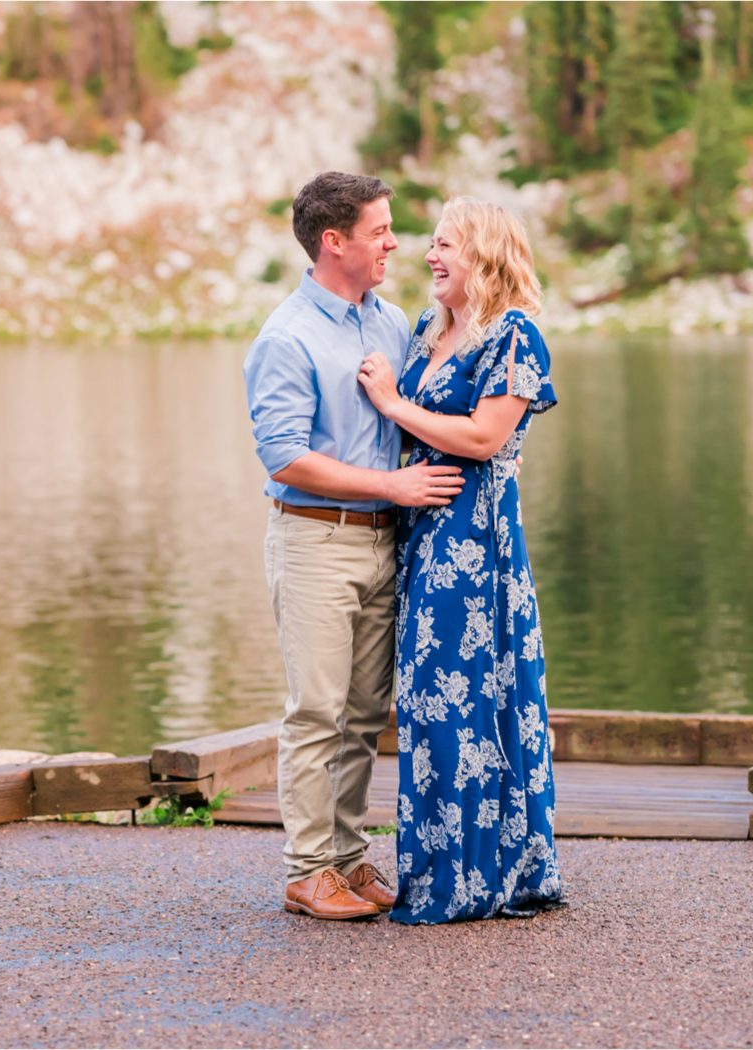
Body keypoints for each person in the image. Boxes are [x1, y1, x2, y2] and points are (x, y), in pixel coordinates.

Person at [243, 172, 467, 921]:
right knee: (317, 711)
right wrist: (393, 487)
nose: (395, 243)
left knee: (366, 711)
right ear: (334, 242)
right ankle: (307, 870)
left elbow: (414, 412)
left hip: (383, 541)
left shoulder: (392, 322)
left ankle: (345, 857)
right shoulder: (286, 337)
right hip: (316, 539)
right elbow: (284, 457)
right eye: (380, 231)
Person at [356, 196, 566, 923]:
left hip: (477, 543)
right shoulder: (427, 328)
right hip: (421, 536)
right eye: (432, 244)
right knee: (425, 699)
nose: (428, 256)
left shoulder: (516, 336)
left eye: (444, 244)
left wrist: (392, 403)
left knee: (469, 697)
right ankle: (440, 867)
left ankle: (483, 873)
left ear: (483, 253)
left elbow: (481, 437)